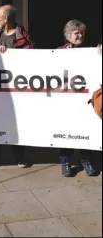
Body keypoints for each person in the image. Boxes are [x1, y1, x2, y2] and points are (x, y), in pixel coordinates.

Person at [0, 4, 35, 168]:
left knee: (16, 122)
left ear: (6, 19)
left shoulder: (22, 36)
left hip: (16, 87)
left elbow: (31, 52)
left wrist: (10, 52)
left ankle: (19, 156)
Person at [58, 19, 97, 177]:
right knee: (66, 128)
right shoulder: (59, 51)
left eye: (82, 33)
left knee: (84, 128)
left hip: (84, 99)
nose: (80, 35)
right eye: (76, 33)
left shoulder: (91, 51)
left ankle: (86, 159)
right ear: (68, 35)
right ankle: (66, 160)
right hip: (66, 98)